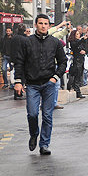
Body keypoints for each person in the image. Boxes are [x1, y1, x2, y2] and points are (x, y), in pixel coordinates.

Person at [14, 14, 67, 155]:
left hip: (49, 84)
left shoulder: (55, 42)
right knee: (32, 114)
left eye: (46, 23)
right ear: (36, 25)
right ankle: (34, 134)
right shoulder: (27, 42)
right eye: (41, 23)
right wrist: (18, 81)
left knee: (47, 115)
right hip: (32, 85)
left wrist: (55, 77)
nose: (43, 26)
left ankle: (44, 144)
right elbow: (19, 62)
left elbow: (63, 62)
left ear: (49, 26)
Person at [66, 29, 87, 99]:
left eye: (79, 34)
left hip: (81, 60)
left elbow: (85, 47)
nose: (79, 36)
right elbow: (75, 46)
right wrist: (81, 40)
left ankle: (76, 89)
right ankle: (77, 91)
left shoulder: (80, 42)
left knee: (78, 76)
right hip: (76, 61)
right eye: (77, 34)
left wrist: (84, 50)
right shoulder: (73, 42)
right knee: (75, 75)